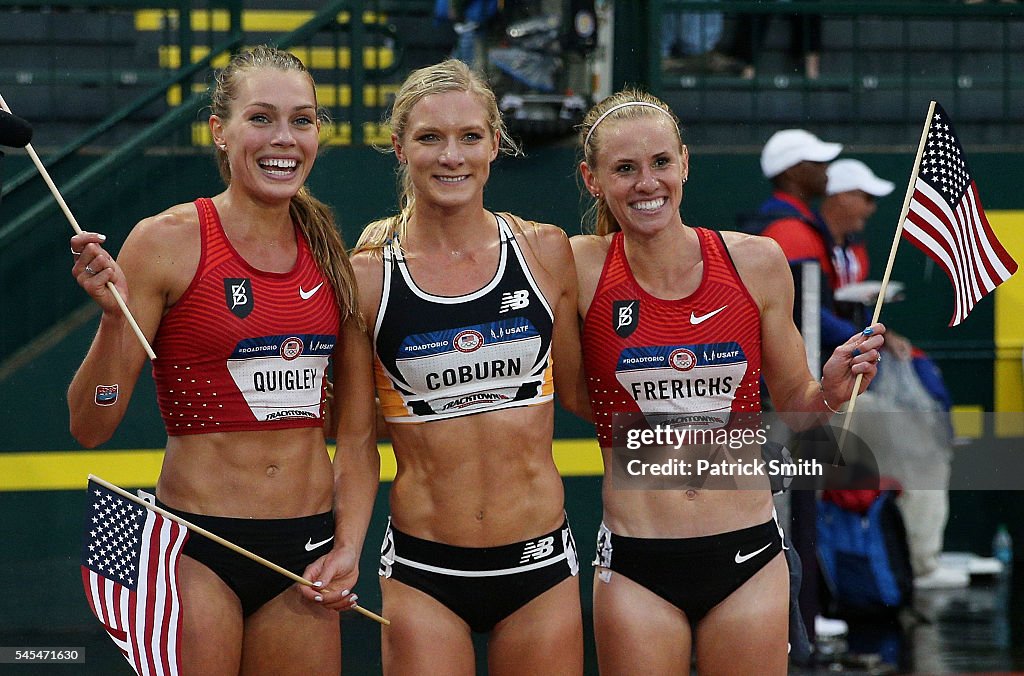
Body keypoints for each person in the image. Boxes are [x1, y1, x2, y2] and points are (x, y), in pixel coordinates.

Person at [67, 45, 373, 675]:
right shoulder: (167, 240)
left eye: (302, 120)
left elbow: (358, 432)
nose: (283, 138)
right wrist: (108, 318)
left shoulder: (331, 253)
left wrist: (348, 546)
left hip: (306, 553)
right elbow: (91, 424)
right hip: (196, 550)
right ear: (220, 131)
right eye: (261, 118)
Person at [569, 89, 886, 674]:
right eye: (624, 168)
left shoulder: (755, 261)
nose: (647, 183)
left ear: (685, 162)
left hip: (748, 553)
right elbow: (573, 393)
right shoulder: (579, 267)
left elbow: (795, 403)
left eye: (661, 163)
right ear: (592, 179)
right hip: (637, 559)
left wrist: (834, 391)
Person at [329, 58, 585, 674]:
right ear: (398, 147)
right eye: (430, 138)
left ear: (495, 144)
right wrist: (345, 549)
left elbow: (587, 395)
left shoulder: (545, 251)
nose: (452, 156)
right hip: (424, 573)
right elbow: (357, 439)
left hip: (540, 568)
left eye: (470, 136)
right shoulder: (365, 276)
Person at [821, 159, 964, 590]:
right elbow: (806, 312)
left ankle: (915, 560)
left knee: (922, 451)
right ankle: (909, 564)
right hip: (822, 389)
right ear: (838, 196)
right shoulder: (799, 240)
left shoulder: (853, 246)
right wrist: (862, 337)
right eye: (864, 197)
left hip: (854, 381)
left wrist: (883, 334)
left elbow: (848, 312)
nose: (870, 208)